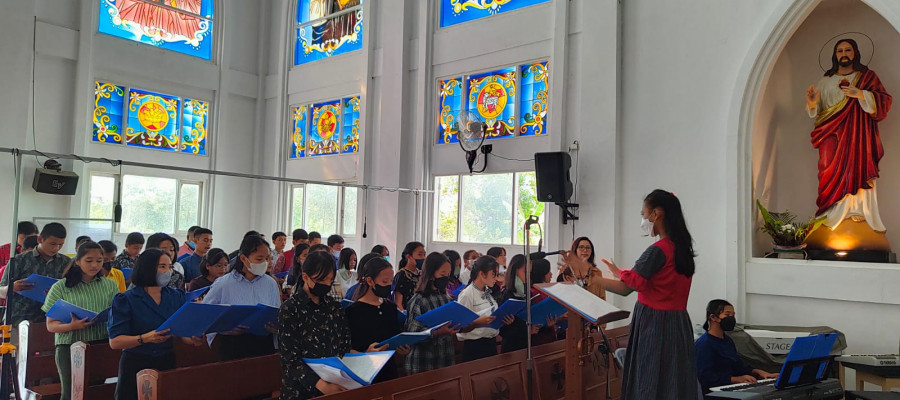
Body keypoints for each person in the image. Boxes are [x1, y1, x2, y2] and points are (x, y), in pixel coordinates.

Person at [567, 189, 697, 399]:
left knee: (649, 379)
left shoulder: (657, 250)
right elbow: (652, 281)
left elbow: (626, 289)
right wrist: (619, 273)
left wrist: (590, 276)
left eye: (644, 214)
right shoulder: (681, 248)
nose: (643, 219)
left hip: (655, 324)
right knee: (673, 380)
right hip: (678, 324)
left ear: (656, 214)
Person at [805, 38, 892, 232]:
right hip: (829, 134)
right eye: (840, 51)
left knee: (856, 167)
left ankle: (856, 210)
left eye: (847, 50)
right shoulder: (825, 81)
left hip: (857, 135)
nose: (843, 54)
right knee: (826, 169)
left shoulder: (867, 77)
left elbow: (884, 101)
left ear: (855, 53)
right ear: (835, 55)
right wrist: (812, 103)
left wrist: (860, 93)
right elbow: (818, 112)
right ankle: (829, 213)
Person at [107, 249, 204, 400]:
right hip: (136, 362)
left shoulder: (175, 296)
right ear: (147, 268)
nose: (168, 272)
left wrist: (192, 338)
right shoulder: (126, 299)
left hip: (166, 360)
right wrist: (145, 338)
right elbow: (115, 342)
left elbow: (180, 331)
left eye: (170, 267)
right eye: (162, 267)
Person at [42, 241, 118, 400]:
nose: (95, 265)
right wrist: (72, 326)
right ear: (77, 261)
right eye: (89, 260)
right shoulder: (61, 287)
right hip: (69, 345)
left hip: (101, 343)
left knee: (97, 392)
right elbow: (51, 325)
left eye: (99, 261)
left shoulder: (110, 285)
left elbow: (117, 312)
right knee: (72, 393)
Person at [278, 251, 353, 399]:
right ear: (306, 277)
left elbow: (344, 345)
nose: (327, 284)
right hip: (300, 389)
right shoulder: (290, 309)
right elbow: (290, 358)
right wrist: (322, 385)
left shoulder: (334, 307)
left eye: (330, 280)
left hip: (334, 382)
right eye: (322, 279)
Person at [202, 234, 281, 361]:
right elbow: (205, 315)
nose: (264, 263)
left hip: (264, 344)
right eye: (259, 259)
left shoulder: (270, 283)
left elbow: (277, 312)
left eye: (267, 258)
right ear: (243, 258)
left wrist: (276, 326)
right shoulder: (224, 283)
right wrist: (224, 328)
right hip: (233, 345)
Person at [346, 257, 410, 383]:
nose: (389, 285)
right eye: (385, 281)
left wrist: (403, 349)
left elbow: (394, 337)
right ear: (370, 281)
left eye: (391, 281)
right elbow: (347, 349)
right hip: (365, 374)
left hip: (389, 371)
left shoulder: (390, 307)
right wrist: (366, 354)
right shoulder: (353, 311)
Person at [0, 222, 70, 336]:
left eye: (60, 245)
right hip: (19, 320)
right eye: (52, 244)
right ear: (40, 239)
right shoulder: (19, 260)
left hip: (52, 322)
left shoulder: (66, 262)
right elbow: (1, 291)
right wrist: (12, 287)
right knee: (15, 347)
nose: (56, 248)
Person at [696, 299, 779, 393]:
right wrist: (736, 379)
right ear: (713, 317)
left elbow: (739, 367)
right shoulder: (704, 344)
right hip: (715, 393)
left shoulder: (727, 340)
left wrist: (760, 372)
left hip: (732, 388)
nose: (731, 318)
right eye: (727, 315)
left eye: (733, 315)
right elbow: (705, 377)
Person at [404, 252, 462, 374]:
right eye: (442, 274)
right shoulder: (419, 300)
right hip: (424, 361)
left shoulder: (447, 299)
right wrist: (438, 332)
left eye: (448, 274)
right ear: (431, 275)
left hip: (444, 358)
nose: (446, 278)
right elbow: (413, 334)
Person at [456, 255, 509, 362]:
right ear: (482, 274)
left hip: (490, 343)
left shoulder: (489, 292)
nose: (496, 278)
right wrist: (477, 323)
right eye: (493, 274)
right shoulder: (467, 294)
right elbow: (460, 327)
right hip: (475, 347)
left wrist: (503, 320)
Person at [498, 255, 556, 353]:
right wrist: (526, 330)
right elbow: (503, 330)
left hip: (529, 344)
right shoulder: (507, 293)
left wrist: (546, 324)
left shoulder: (528, 292)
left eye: (530, 272)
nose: (528, 275)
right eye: (525, 272)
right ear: (515, 271)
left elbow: (533, 318)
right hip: (512, 347)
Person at [558, 236, 607, 301]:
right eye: (581, 247)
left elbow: (602, 298)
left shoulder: (597, 272)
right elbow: (559, 293)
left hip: (592, 306)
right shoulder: (564, 269)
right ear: (575, 250)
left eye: (588, 248)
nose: (585, 250)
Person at [392, 242, 425, 311]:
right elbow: (398, 303)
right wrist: (405, 315)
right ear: (409, 256)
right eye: (419, 254)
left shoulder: (421, 274)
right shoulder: (402, 275)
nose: (423, 258)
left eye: (424, 255)